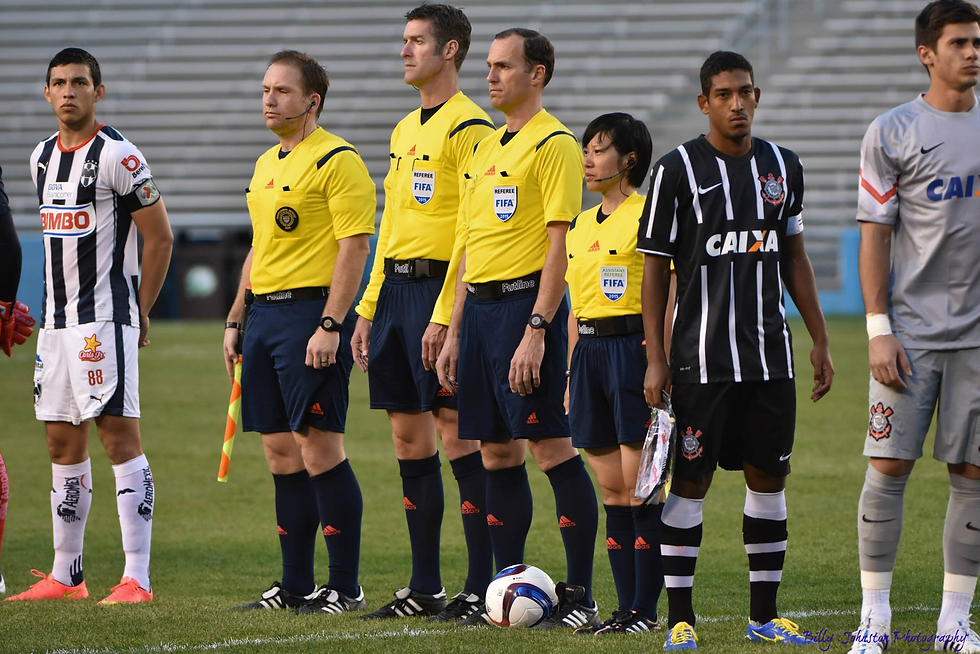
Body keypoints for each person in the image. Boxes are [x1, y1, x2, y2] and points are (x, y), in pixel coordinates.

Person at [638, 51, 834, 650]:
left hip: (770, 359)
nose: (737, 103)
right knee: (689, 484)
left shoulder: (783, 166)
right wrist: (655, 355)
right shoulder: (676, 172)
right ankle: (681, 620)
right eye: (724, 94)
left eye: (746, 92)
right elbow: (653, 270)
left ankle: (764, 617)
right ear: (704, 103)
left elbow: (793, 257)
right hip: (700, 359)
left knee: (769, 481)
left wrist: (819, 335)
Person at [435, 28, 600, 630]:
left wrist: (538, 327)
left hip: (524, 310)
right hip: (477, 313)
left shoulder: (554, 144)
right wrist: (454, 330)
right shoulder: (484, 147)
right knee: (496, 451)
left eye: (505, 66)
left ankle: (580, 594)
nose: (491, 75)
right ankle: (505, 589)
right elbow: (469, 246)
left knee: (551, 446)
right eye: (490, 65)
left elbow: (561, 242)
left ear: (538, 74)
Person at [5, 48, 173, 605]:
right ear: (47, 93)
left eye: (80, 82)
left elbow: (160, 237)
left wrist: (141, 309)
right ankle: (66, 575)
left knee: (118, 437)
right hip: (54, 324)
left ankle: (137, 578)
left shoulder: (120, 157)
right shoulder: (40, 159)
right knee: (60, 440)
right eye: (59, 83)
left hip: (104, 319)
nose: (69, 91)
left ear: (98, 91)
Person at [350, 4, 495, 623]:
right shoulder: (405, 128)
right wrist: (366, 306)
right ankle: (425, 585)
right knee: (408, 438)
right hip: (395, 298)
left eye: (416, 42)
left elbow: (470, 230)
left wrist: (447, 316)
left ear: (451, 50)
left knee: (458, 435)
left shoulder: (471, 128)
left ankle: (478, 585)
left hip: (441, 292)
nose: (405, 51)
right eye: (403, 41)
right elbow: (391, 227)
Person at [847, 2, 980, 652]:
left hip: (979, 341)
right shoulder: (893, 130)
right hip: (911, 336)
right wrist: (877, 327)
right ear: (928, 53)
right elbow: (875, 236)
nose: (974, 52)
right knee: (887, 467)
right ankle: (873, 621)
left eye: (978, 41)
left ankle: (954, 624)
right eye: (960, 42)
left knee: (973, 476)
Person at [223, 50, 375, 615]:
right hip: (263, 316)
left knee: (319, 449)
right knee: (280, 454)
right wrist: (238, 317)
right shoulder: (265, 164)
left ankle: (345, 586)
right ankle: (294, 586)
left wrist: (331, 324)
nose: (269, 99)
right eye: (265, 89)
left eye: (282, 91)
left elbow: (354, 248)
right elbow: (260, 248)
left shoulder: (338, 160)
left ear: (311, 101)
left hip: (311, 317)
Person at [562, 112, 670, 636]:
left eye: (599, 149)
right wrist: (568, 374)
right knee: (612, 492)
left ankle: (645, 612)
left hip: (633, 352)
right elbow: (572, 308)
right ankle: (624, 610)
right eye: (587, 148)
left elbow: (668, 294)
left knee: (642, 487)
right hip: (588, 357)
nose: (588, 158)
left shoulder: (649, 215)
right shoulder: (581, 224)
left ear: (629, 159)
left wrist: (659, 360)